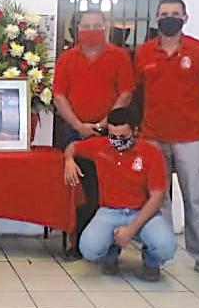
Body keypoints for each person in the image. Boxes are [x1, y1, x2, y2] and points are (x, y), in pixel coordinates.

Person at [134, 0, 199, 279]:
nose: (169, 17)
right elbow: (138, 92)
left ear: (185, 17)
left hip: (190, 136)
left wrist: (198, 115)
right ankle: (160, 252)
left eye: (175, 13)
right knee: (157, 197)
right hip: (152, 135)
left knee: (195, 196)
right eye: (164, 14)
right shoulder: (145, 52)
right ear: (156, 18)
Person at [53, 9, 134, 260]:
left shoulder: (119, 57)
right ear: (78, 30)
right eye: (86, 26)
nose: (91, 30)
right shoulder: (67, 58)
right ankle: (78, 242)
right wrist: (78, 125)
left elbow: (126, 93)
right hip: (74, 132)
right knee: (77, 189)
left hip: (110, 132)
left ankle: (110, 245)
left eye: (96, 25)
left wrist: (104, 123)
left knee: (108, 188)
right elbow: (59, 96)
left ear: (106, 27)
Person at [64, 108, 177, 281]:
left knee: (166, 247)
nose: (117, 141)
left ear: (135, 131)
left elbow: (157, 198)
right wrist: (69, 161)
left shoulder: (151, 152)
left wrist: (131, 230)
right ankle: (110, 254)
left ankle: (151, 262)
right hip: (109, 211)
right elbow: (72, 147)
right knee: (89, 249)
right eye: (113, 136)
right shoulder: (101, 146)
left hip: (142, 211)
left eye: (123, 137)